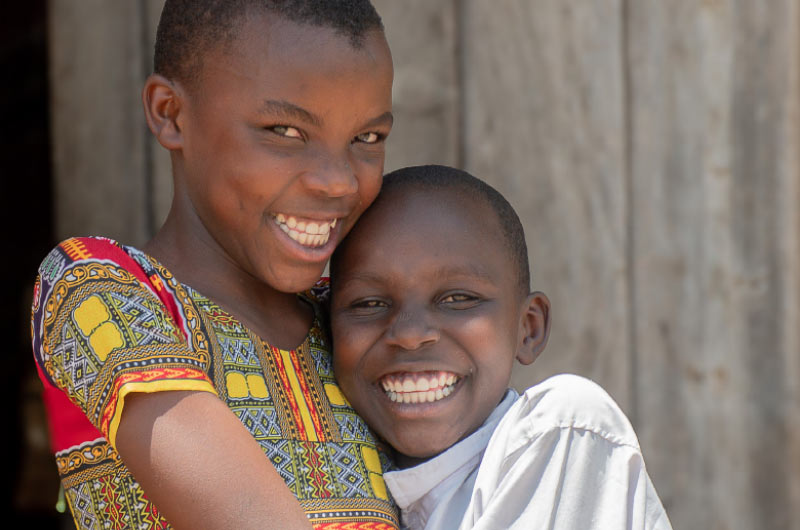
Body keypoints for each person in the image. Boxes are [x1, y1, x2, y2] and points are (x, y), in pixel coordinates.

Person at [30, 1, 399, 528]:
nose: (338, 182)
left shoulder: (351, 322)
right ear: (170, 113)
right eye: (285, 131)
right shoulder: (100, 287)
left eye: (367, 139)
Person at [329, 165, 673, 529]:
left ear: (529, 328)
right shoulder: (363, 487)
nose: (411, 334)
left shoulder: (563, 431)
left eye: (457, 298)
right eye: (368, 303)